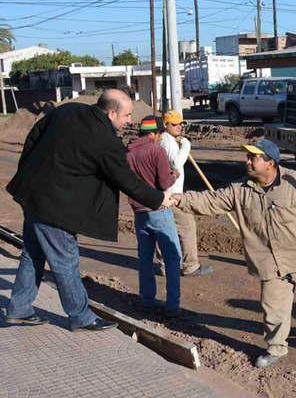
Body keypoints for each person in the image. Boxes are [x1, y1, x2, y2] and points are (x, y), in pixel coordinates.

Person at [170, 140, 296, 368]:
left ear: (270, 162)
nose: (247, 161)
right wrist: (180, 199)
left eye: (253, 157)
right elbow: (210, 200)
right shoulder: (240, 190)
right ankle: (276, 348)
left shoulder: (295, 180)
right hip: (270, 262)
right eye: (247, 157)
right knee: (273, 308)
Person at [4, 89, 173, 331]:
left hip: (32, 196)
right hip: (55, 208)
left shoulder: (66, 110)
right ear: (112, 112)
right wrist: (159, 199)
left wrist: (26, 174)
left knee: (33, 253)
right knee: (66, 260)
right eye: (127, 115)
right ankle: (81, 317)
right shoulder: (105, 139)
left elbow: (33, 137)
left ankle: (19, 309)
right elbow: (126, 180)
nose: (129, 121)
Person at [126, 116, 182, 318]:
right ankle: (172, 306)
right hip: (159, 210)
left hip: (139, 212)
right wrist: (175, 174)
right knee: (173, 257)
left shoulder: (129, 152)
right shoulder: (156, 150)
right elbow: (165, 183)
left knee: (145, 259)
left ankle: (147, 301)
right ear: (155, 133)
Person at [157, 110, 213, 276]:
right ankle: (190, 266)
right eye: (174, 124)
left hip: (164, 193)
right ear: (165, 125)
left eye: (180, 123)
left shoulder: (166, 139)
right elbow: (176, 162)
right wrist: (186, 145)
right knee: (187, 226)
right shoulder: (168, 142)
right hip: (172, 195)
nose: (179, 127)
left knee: (165, 228)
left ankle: (165, 266)